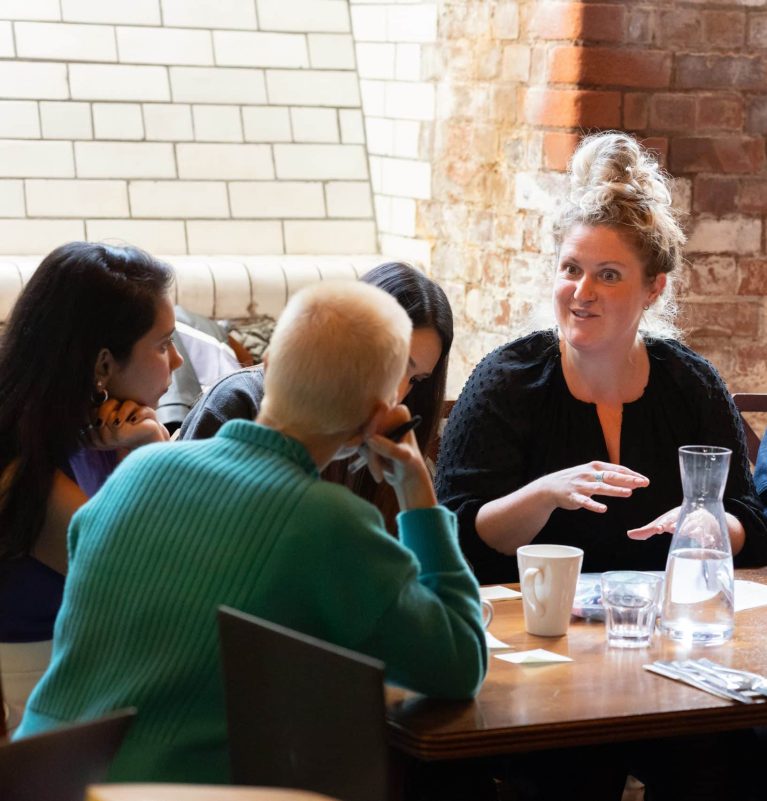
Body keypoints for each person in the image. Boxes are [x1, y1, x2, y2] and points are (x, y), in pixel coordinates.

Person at [14, 281, 487, 783]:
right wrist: (418, 491)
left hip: (35, 775)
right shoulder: (331, 522)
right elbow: (458, 664)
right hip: (160, 792)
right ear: (379, 416)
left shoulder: (138, 470)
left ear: (267, 368)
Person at [437, 132, 767, 584]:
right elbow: (453, 533)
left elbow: (752, 523)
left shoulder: (691, 383)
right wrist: (546, 493)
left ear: (654, 288)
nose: (582, 292)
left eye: (608, 275)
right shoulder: (509, 379)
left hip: (660, 628)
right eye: (571, 269)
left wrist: (706, 524)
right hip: (533, 632)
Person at [0, 242, 183, 714]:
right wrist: (150, 451)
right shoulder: (26, 474)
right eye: (163, 345)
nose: (178, 362)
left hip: (96, 687)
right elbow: (166, 589)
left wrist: (147, 444)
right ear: (103, 365)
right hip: (38, 715)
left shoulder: (100, 436)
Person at [179, 261, 453, 532]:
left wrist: (415, 487)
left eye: (415, 380)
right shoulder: (235, 402)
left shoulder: (388, 447)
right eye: (395, 365)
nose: (397, 395)